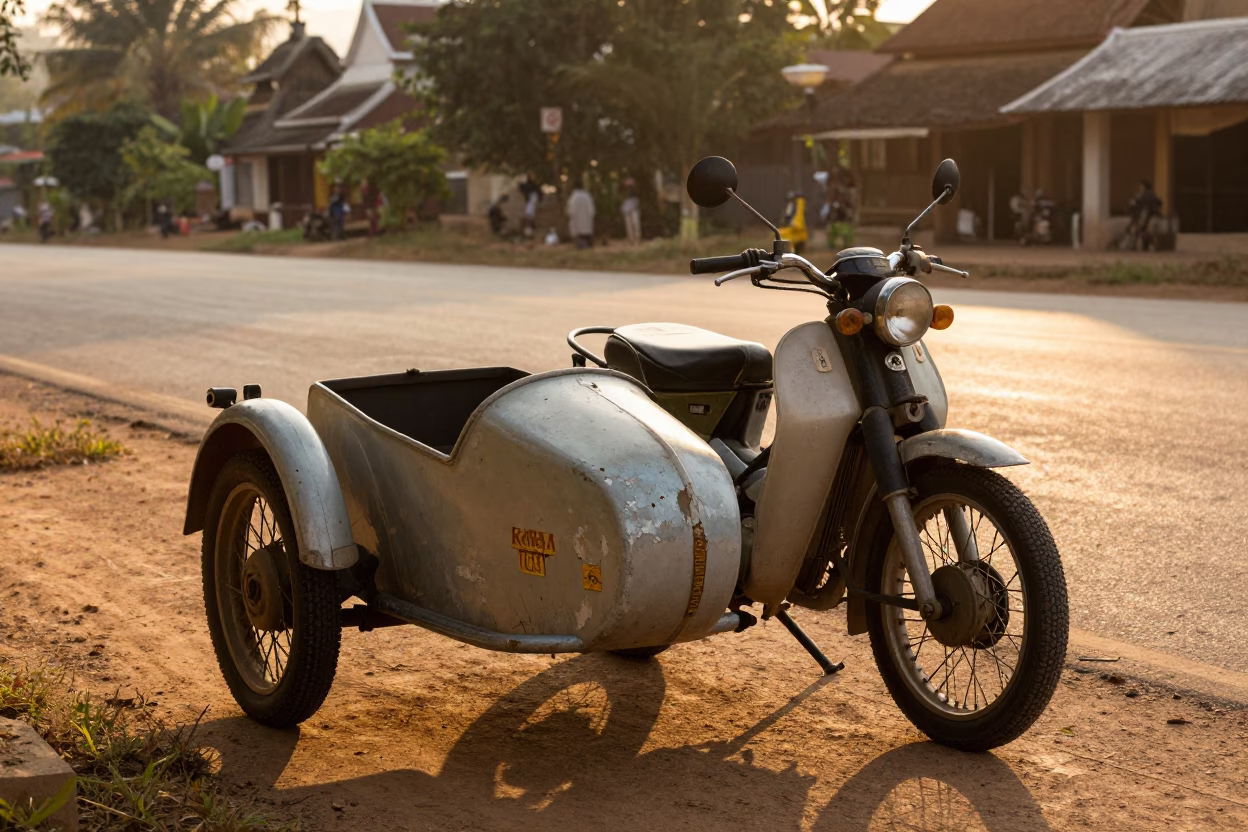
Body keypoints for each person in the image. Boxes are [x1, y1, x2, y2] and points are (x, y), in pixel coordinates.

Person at [1126, 180, 1163, 251]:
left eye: (1141, 186)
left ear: (1144, 187)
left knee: (1140, 228)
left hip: (1150, 214)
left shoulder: (1146, 195)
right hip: (1150, 214)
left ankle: (1144, 245)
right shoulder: (1149, 194)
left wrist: (1135, 201)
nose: (1140, 188)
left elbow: (1140, 205)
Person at [567, 183, 595, 249]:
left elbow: (571, 210)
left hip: (577, 221)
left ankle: (581, 245)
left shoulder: (574, 197)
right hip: (587, 219)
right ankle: (588, 245)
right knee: (586, 231)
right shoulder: (587, 196)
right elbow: (591, 209)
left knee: (579, 232)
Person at [621, 179, 641, 245]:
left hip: (633, 209)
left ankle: (637, 239)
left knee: (635, 223)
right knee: (629, 225)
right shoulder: (624, 194)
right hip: (627, 209)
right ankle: (631, 239)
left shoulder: (635, 193)